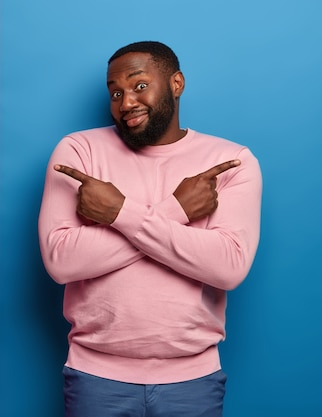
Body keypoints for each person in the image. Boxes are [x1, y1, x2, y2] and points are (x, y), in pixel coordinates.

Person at [38, 41, 262, 416]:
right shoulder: (79, 151)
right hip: (95, 377)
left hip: (193, 380)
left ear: (176, 83)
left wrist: (117, 213)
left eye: (139, 85)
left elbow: (228, 267)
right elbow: (62, 261)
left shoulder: (230, 161)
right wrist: (176, 210)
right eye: (116, 92)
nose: (126, 102)